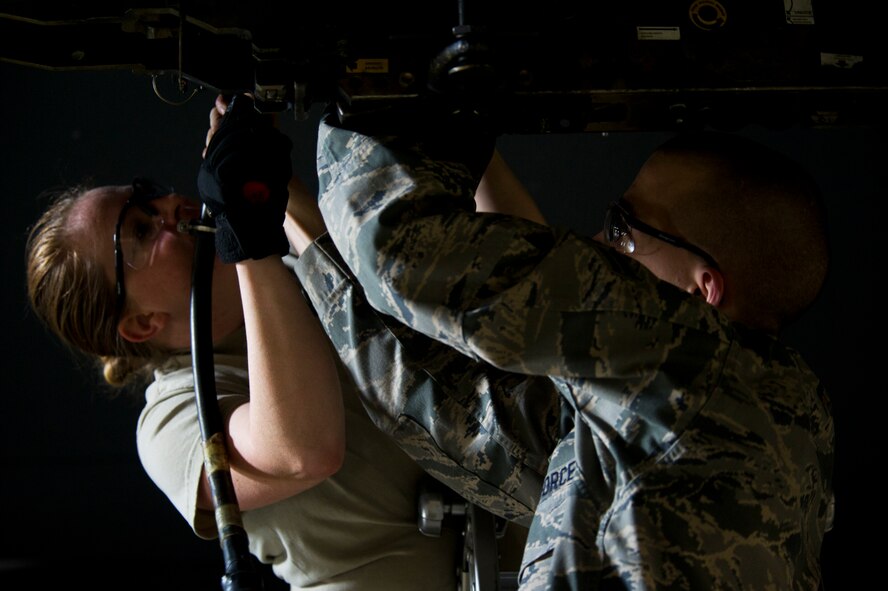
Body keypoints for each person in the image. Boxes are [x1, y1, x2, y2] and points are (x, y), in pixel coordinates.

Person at [311, 114, 836, 590]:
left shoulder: (686, 354)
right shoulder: (759, 415)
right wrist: (284, 215)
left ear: (702, 291)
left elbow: (403, 252)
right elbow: (468, 420)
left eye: (623, 229)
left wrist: (377, 108)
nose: (597, 242)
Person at [23, 94, 468, 589]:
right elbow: (304, 451)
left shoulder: (296, 275)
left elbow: (380, 289)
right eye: (144, 231)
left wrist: (263, 172)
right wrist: (246, 235)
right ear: (141, 323)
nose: (172, 205)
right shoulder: (172, 422)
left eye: (150, 196)